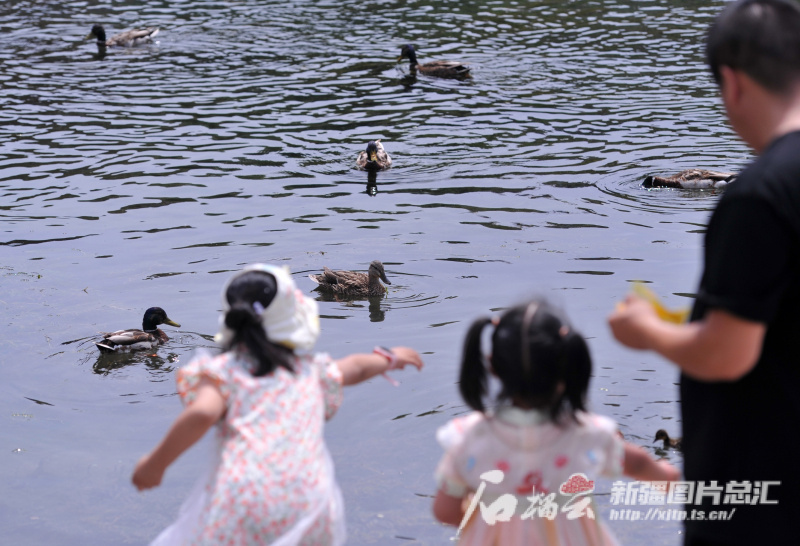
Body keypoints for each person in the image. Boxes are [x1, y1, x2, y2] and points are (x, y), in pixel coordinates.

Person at [608, 1, 800, 543]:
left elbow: (726, 352)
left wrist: (647, 330)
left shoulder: (759, 198)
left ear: (732, 83)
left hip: (764, 497)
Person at [131, 264, 423, 545]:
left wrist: (155, 464)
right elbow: (354, 367)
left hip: (244, 505)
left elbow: (201, 414)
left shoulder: (222, 375)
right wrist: (388, 358)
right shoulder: (309, 371)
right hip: (310, 507)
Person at [433, 300, 679, 545]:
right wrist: (665, 476)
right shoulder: (583, 432)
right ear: (566, 366)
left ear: (492, 366)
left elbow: (445, 512)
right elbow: (637, 463)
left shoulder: (468, 436)